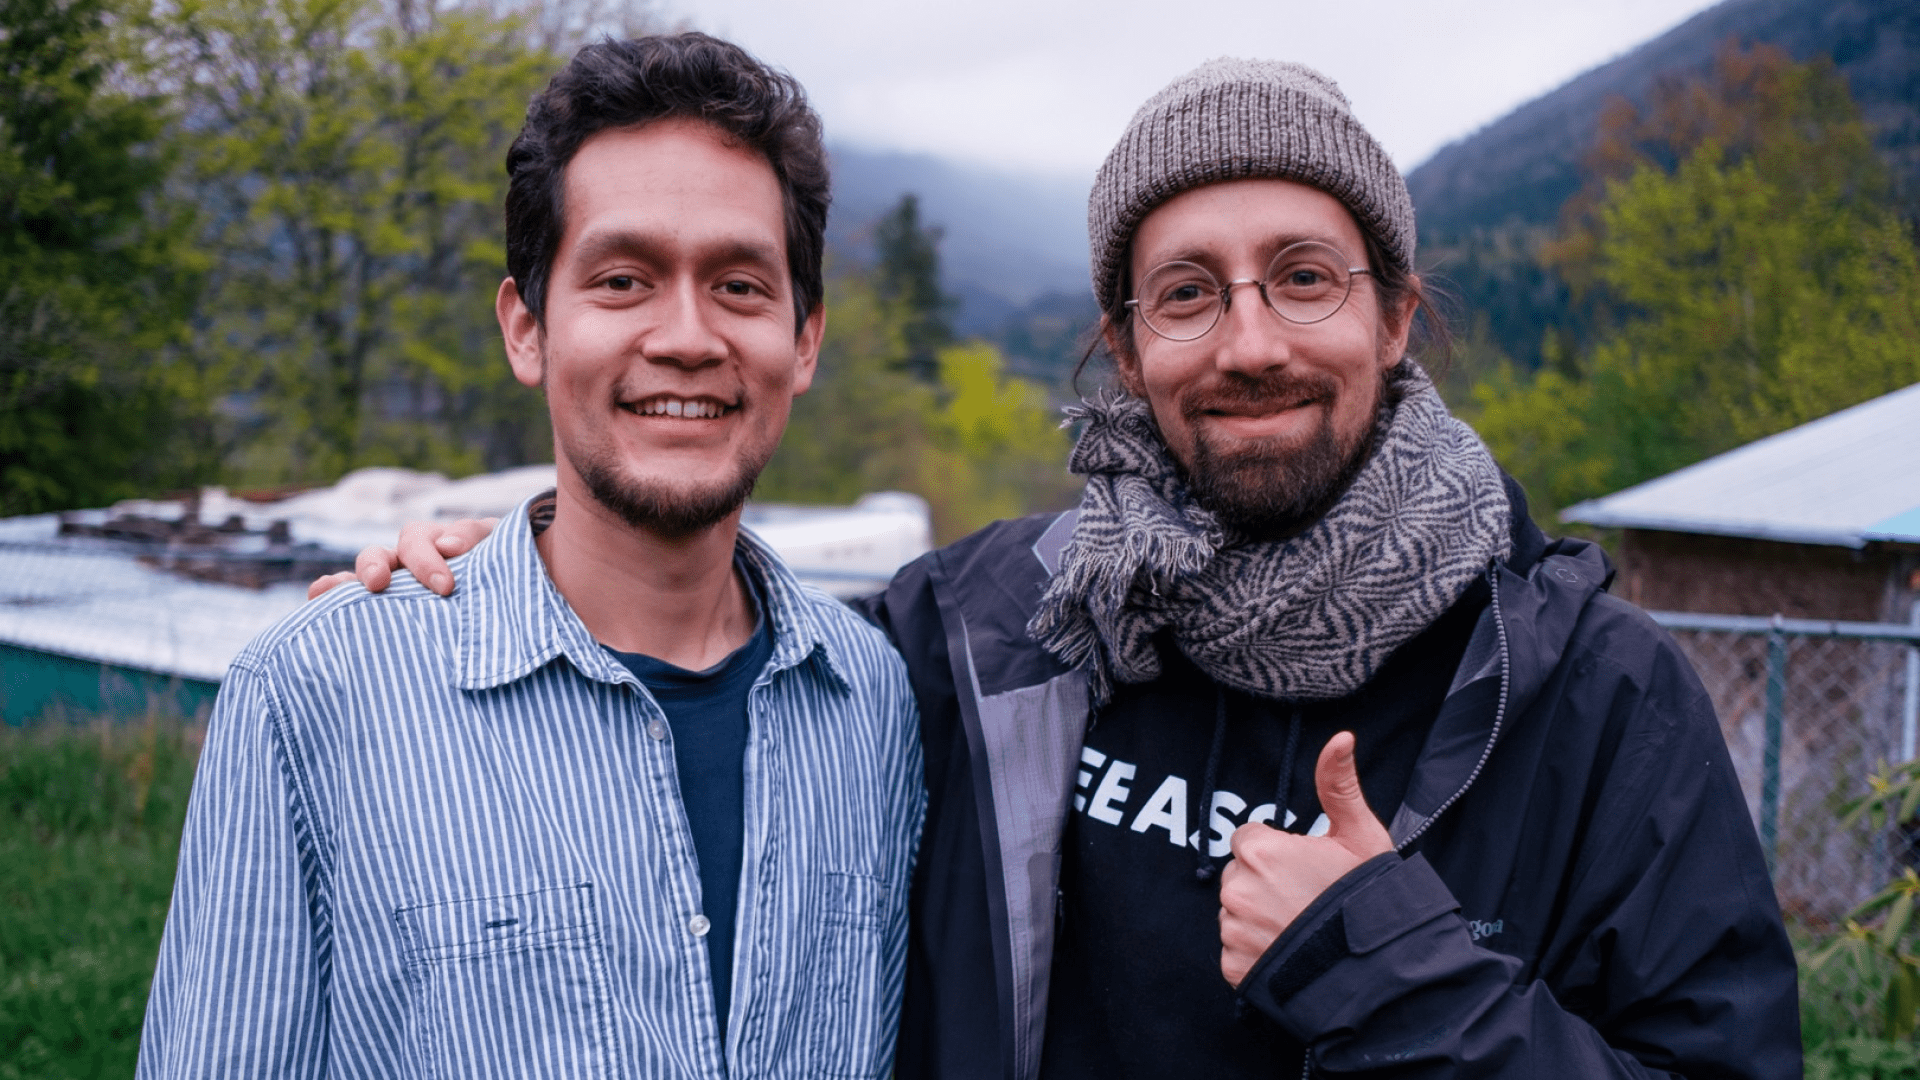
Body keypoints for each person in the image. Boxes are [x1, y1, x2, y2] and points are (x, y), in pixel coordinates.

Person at [335, 58, 1801, 1078]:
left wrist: (1394, 969)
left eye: (1304, 275)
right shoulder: (980, 631)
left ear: (1396, 313)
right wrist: (502, 563)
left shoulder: (1593, 696)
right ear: (1125, 345)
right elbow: (706, 640)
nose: (1248, 342)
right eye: (1186, 294)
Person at [141, 33, 923, 1079]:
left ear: (806, 338)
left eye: (740, 285)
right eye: (623, 278)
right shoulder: (318, 694)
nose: (687, 336)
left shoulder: (876, 702)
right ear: (527, 328)